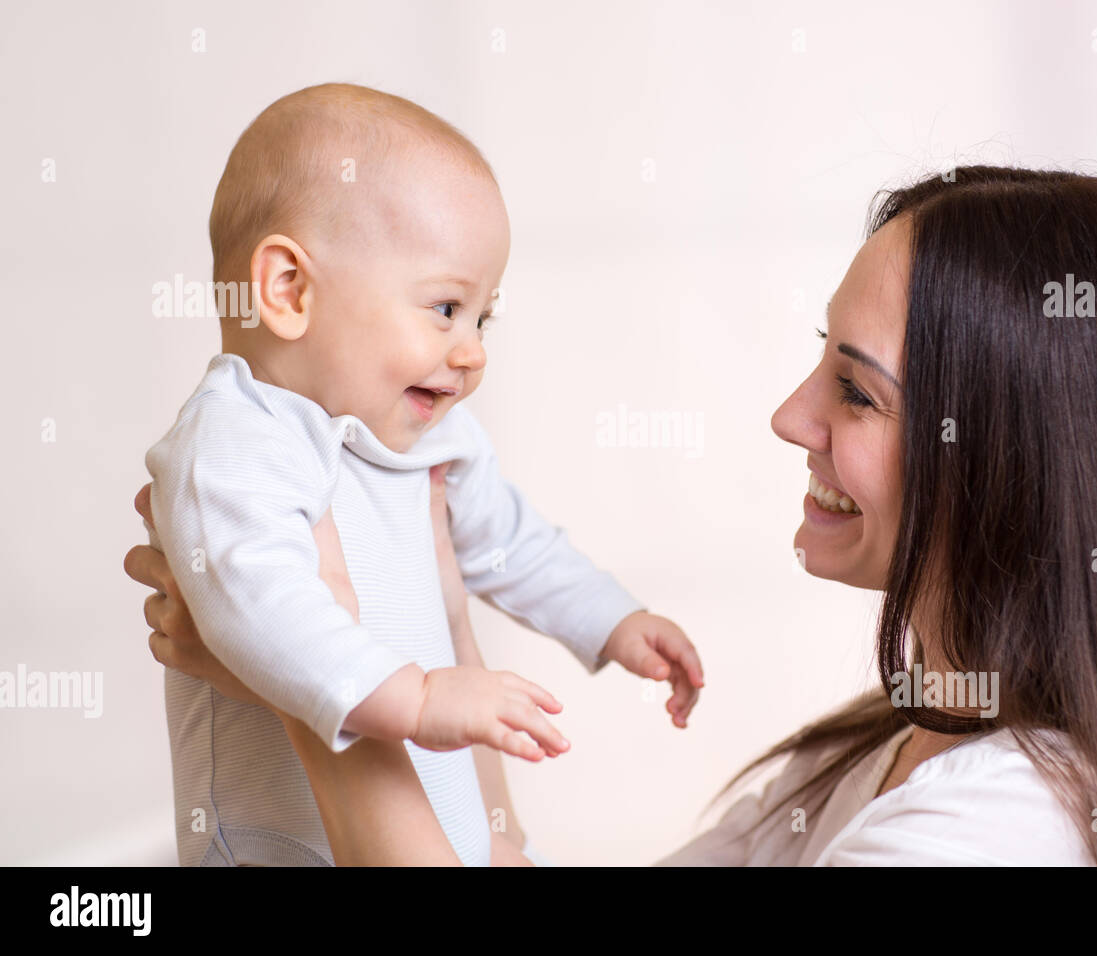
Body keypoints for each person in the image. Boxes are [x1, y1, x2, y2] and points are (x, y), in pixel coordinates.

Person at [127, 165, 1097, 865]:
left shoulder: (987, 838)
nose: (791, 418)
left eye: (855, 389)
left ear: (1012, 462)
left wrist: (318, 693)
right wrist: (430, 612)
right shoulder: (884, 746)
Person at [139, 82, 702, 868]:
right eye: (445, 308)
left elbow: (512, 541)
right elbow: (256, 602)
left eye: (484, 318)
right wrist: (422, 697)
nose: (472, 350)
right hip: (275, 842)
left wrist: (612, 619)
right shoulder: (236, 437)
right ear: (288, 290)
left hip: (428, 823)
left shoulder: (433, 438)